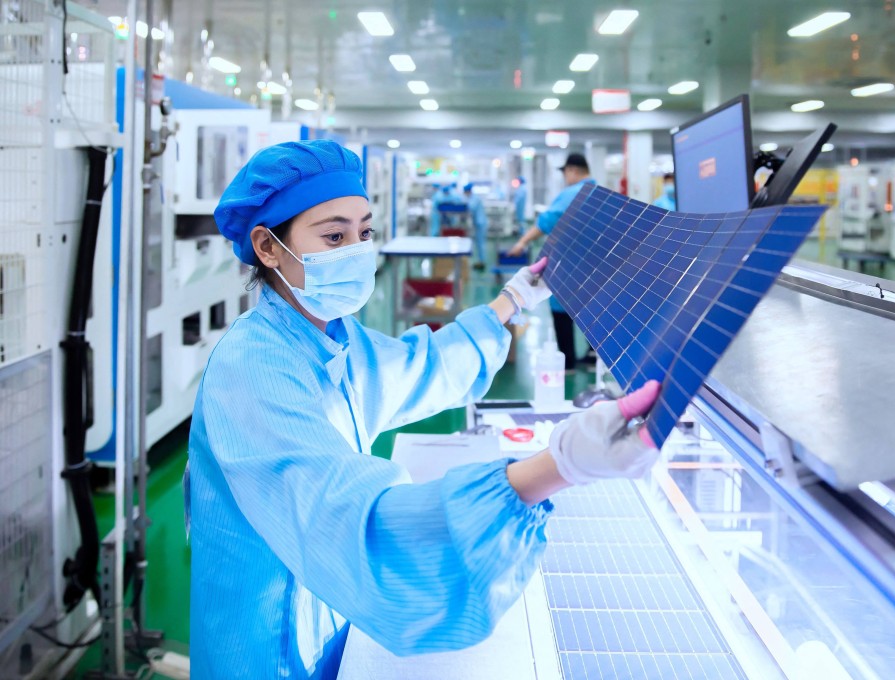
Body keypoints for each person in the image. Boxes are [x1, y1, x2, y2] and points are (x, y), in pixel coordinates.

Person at [185, 140, 661, 679]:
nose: (357, 250)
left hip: (320, 617)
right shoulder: (254, 368)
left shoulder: (330, 340)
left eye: (365, 232)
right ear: (268, 247)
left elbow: (420, 366)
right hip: (264, 648)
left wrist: (512, 299)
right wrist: (561, 465)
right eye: (334, 235)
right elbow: (351, 519)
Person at [507, 153, 597, 370]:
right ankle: (594, 356)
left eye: (566, 173)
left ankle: (567, 362)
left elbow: (547, 221)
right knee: (589, 307)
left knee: (559, 305)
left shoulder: (572, 194)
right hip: (595, 263)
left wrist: (522, 242)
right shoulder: (598, 193)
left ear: (572, 171)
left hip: (570, 261)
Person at [463, 182, 489, 270]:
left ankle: (482, 261)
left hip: (480, 223)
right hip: (478, 223)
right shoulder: (472, 198)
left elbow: (470, 208)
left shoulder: (474, 198)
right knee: (479, 243)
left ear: (467, 191)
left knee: (480, 243)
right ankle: (480, 261)